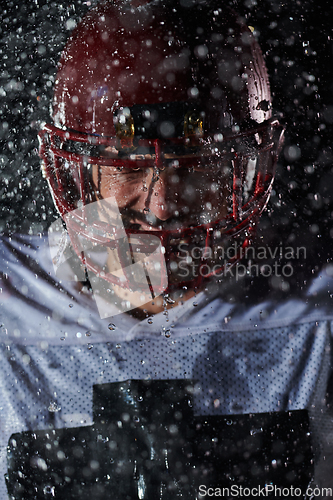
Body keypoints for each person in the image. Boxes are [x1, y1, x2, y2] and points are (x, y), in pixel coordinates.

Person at [1, 0, 332, 498]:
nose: (162, 205)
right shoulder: (8, 303)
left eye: (196, 164)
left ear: (244, 169)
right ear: (80, 172)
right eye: (130, 164)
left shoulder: (320, 304)